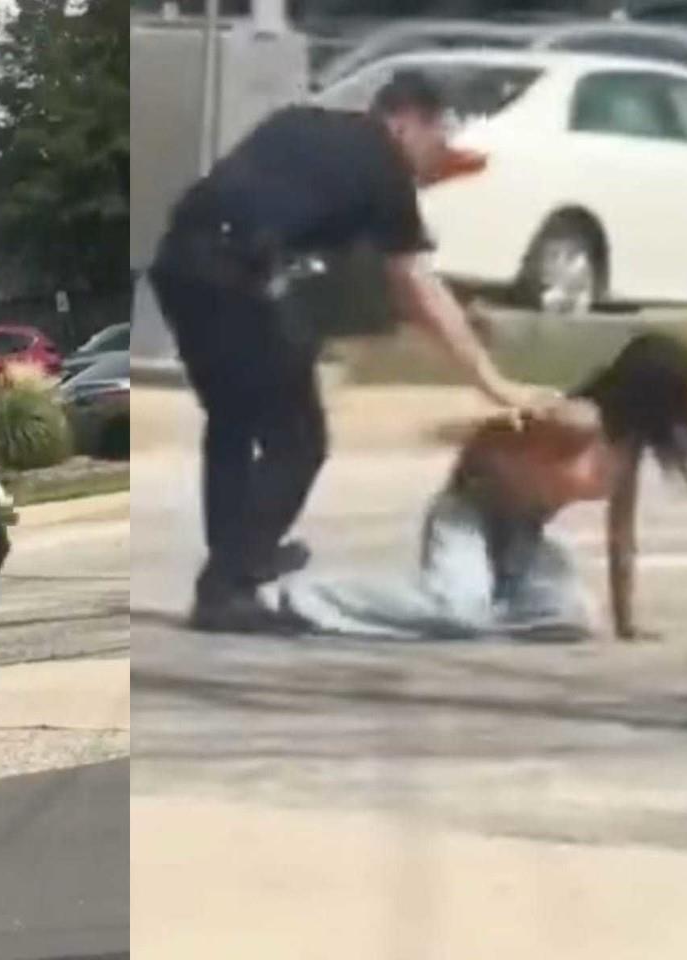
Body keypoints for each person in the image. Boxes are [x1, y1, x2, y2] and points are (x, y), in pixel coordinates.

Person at [148, 70, 558, 633]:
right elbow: (413, 285)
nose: (432, 157)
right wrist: (491, 380)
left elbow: (326, 252)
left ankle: (237, 561)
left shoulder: (299, 122)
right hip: (235, 278)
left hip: (177, 266)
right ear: (406, 121)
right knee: (299, 440)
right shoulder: (385, 165)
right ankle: (229, 583)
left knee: (234, 422)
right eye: (435, 139)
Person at [280, 334, 687, 642]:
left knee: (571, 617)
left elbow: (621, 537)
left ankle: (476, 609)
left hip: (525, 533)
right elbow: (487, 438)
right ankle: (301, 596)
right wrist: (464, 473)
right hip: (469, 516)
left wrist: (626, 623)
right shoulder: (577, 422)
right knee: (458, 611)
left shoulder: (627, 445)